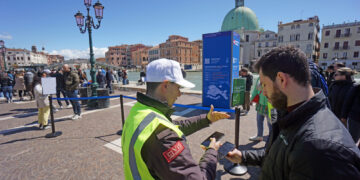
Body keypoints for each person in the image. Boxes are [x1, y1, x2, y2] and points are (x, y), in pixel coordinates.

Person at [226, 46, 360, 179]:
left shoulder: (321, 149)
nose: (262, 92)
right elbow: (278, 156)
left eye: (264, 84)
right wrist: (244, 156)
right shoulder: (292, 115)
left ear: (282, 79)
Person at [122, 59, 230, 180]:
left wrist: (207, 119)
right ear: (166, 85)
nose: (179, 94)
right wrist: (212, 152)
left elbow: (172, 126)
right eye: (178, 87)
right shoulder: (162, 137)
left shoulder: (138, 111)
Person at [248, 77, 272, 142]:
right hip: (260, 104)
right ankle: (259, 136)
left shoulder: (272, 76)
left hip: (270, 105)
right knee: (259, 121)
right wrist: (251, 99)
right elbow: (256, 90)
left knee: (270, 124)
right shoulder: (259, 78)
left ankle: (271, 139)